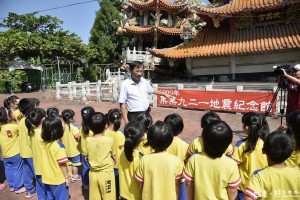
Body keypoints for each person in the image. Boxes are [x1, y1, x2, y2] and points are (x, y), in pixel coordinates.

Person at [184, 121, 241, 200]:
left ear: (203, 140)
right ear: (228, 144)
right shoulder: (231, 164)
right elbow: (233, 191)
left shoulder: (194, 159)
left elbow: (188, 184)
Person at [244, 131, 300, 200]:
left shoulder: (259, 176)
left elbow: (248, 198)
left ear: (263, 150)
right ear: (290, 153)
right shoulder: (298, 173)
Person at [135, 121, 183, 200]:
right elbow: (178, 185)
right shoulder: (176, 161)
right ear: (170, 141)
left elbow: (141, 184)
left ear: (150, 141)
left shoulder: (144, 160)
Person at [231, 112, 268, 200]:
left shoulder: (241, 145)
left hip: (245, 188)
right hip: (262, 185)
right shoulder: (266, 143)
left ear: (246, 128)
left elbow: (233, 166)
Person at [86, 112, 116, 200]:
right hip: (106, 173)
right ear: (105, 126)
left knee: (94, 197)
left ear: (89, 127)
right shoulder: (109, 140)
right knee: (109, 197)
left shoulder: (88, 140)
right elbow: (113, 155)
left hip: (93, 173)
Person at [41, 116, 70, 200]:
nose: (64, 125)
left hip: (47, 178)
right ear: (58, 129)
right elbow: (62, 164)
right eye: (63, 123)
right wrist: (67, 177)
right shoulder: (58, 146)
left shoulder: (44, 143)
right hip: (58, 179)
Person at [0, 107, 25, 194]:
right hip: (16, 153)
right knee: (17, 170)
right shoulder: (13, 127)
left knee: (8, 169)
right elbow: (21, 129)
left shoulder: (0, 128)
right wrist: (16, 119)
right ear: (8, 117)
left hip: (6, 154)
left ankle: (12, 186)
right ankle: (18, 188)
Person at [164, 113, 189, 200]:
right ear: (181, 128)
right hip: (180, 178)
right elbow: (187, 160)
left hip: (165, 176)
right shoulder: (184, 144)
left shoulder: (163, 143)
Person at [119, 121, 145, 200]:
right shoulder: (140, 158)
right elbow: (142, 182)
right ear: (142, 138)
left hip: (123, 193)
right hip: (135, 196)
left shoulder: (122, 152)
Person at [25, 108, 47, 199]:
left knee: (38, 183)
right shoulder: (44, 133)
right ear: (43, 119)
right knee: (46, 185)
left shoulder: (32, 131)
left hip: (36, 163)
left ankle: (41, 197)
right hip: (44, 164)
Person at [104, 108, 125, 198]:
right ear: (120, 120)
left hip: (108, 162)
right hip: (118, 162)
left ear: (108, 119)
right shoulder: (120, 134)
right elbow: (123, 147)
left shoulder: (105, 132)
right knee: (117, 183)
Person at [18, 98, 36, 196]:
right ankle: (42, 191)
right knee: (36, 172)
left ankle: (29, 189)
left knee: (27, 171)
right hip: (31, 152)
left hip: (24, 152)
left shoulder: (21, 121)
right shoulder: (30, 122)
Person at [61, 109, 82, 182]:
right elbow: (77, 137)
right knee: (75, 165)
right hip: (74, 150)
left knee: (69, 163)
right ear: (70, 119)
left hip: (66, 149)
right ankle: (75, 176)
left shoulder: (63, 126)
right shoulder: (73, 127)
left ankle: (70, 175)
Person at [79, 106, 95, 190]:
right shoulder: (94, 129)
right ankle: (93, 183)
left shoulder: (82, 128)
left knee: (85, 168)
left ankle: (86, 184)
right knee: (93, 168)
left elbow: (79, 137)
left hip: (84, 152)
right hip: (92, 152)